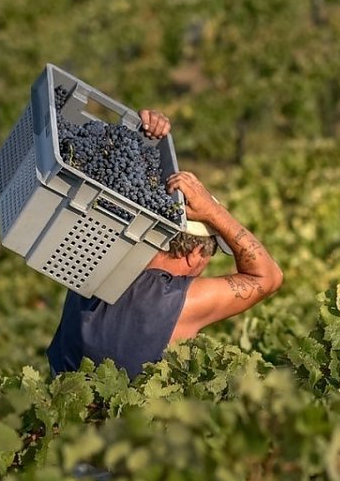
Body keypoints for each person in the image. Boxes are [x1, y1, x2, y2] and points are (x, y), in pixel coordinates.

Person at [47, 108, 283, 379]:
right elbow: (269, 277)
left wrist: (144, 136)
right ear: (196, 254)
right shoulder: (176, 301)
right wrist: (214, 213)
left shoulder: (100, 256)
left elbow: (109, 172)